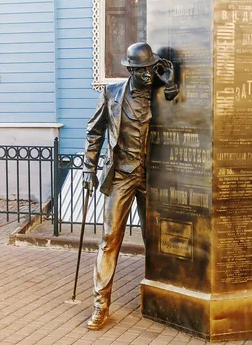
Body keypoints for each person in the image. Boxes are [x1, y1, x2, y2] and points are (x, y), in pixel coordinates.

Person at [82, 42, 178, 330]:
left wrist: (170, 81)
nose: (148, 76)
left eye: (151, 70)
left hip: (151, 178)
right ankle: (101, 305)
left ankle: (160, 299)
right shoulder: (112, 94)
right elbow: (94, 132)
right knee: (110, 239)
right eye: (142, 71)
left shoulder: (161, 94)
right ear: (131, 70)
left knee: (155, 241)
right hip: (122, 176)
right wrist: (89, 168)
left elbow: (177, 97)